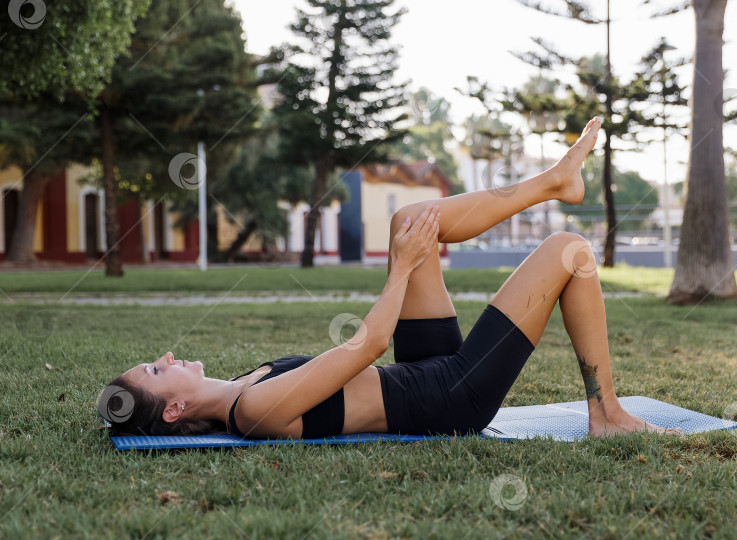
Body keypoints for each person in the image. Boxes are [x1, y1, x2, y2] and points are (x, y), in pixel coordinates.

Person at [97, 116, 682, 440]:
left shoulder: (242, 386)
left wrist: (407, 256)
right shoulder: (249, 412)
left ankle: (554, 182)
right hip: (451, 397)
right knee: (570, 250)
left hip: (420, 371)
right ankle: (604, 414)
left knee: (410, 218)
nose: (166, 356)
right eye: (155, 369)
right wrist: (400, 268)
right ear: (172, 411)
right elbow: (369, 342)